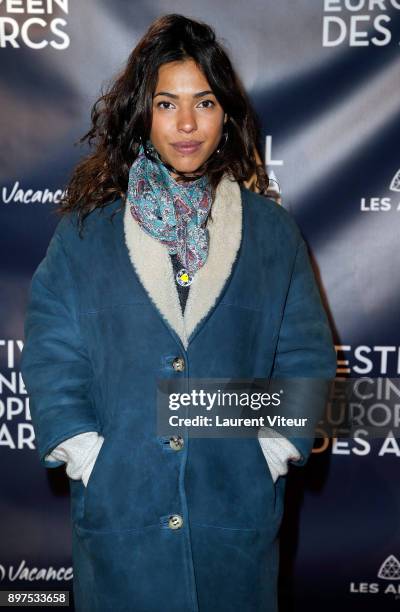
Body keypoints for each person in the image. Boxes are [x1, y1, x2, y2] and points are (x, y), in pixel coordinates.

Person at [20, 13, 337, 612]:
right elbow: (51, 345)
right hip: (123, 517)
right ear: (143, 113)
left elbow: (305, 354)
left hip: (233, 519)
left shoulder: (271, 233)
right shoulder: (88, 232)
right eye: (166, 103)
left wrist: (268, 451)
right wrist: (87, 452)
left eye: (204, 102)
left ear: (227, 114)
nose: (186, 124)